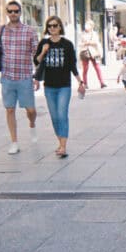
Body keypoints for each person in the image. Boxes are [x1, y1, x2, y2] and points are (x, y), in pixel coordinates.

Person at [0, 0, 39, 155]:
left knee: (30, 110)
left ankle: (32, 123)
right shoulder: (1, 30)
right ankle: (14, 142)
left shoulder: (30, 31)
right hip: (7, 76)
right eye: (10, 11)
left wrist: (37, 76)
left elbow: (36, 54)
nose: (13, 14)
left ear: (20, 13)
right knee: (9, 109)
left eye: (16, 11)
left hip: (25, 76)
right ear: (7, 13)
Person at [33, 16, 85, 158]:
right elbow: (36, 61)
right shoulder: (44, 43)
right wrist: (43, 52)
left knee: (62, 115)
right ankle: (60, 142)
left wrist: (80, 82)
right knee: (54, 117)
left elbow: (72, 65)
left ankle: (63, 146)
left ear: (60, 27)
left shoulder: (67, 44)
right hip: (49, 86)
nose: (52, 28)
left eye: (55, 25)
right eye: (49, 26)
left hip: (64, 86)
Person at [77, 19, 107, 89]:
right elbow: (79, 43)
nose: (86, 26)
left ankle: (102, 83)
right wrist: (85, 43)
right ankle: (85, 83)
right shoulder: (82, 34)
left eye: (88, 25)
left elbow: (96, 42)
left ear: (92, 26)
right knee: (85, 68)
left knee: (97, 67)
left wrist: (88, 42)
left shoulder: (94, 33)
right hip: (85, 52)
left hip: (94, 52)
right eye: (86, 24)